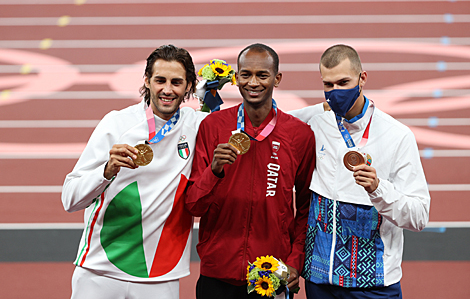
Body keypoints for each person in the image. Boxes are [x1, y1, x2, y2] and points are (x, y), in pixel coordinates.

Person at [61, 44, 209, 299]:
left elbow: (253, 124)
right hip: (100, 270)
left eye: (176, 82)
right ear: (147, 81)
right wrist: (107, 170)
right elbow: (70, 199)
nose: (167, 89)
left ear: (188, 87)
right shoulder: (117, 123)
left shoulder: (196, 126)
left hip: (161, 276)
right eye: (160, 80)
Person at [293, 44, 431, 298]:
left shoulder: (397, 136)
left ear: (362, 78)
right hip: (319, 280)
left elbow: (419, 216)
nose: (335, 93)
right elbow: (267, 121)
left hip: (373, 285)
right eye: (328, 85)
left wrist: (378, 188)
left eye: (344, 82)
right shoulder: (315, 120)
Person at [185, 43, 316, 299]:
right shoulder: (213, 126)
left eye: (262, 75)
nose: (253, 82)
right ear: (236, 78)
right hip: (218, 269)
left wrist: (295, 260)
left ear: (277, 79)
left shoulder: (299, 135)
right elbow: (193, 206)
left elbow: (307, 207)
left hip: (271, 271)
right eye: (245, 74)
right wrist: (214, 171)